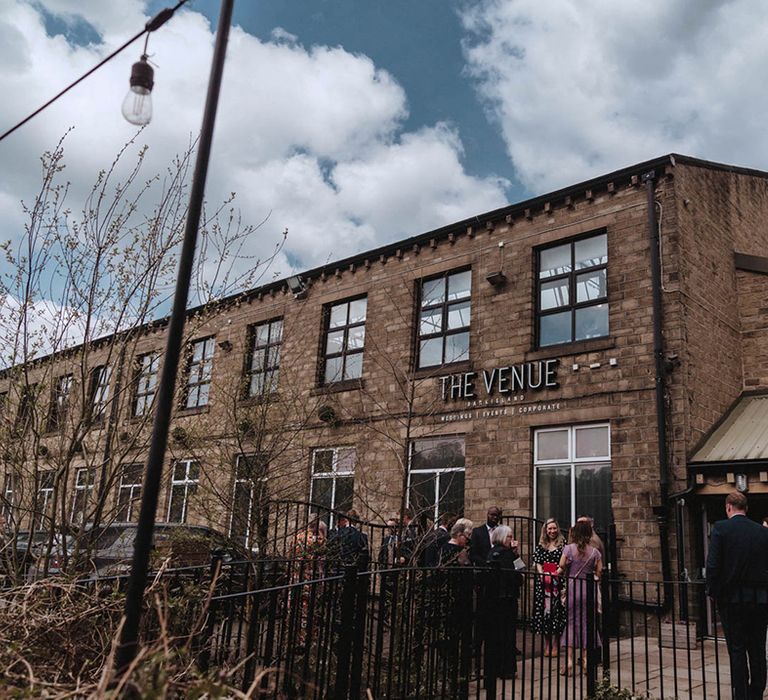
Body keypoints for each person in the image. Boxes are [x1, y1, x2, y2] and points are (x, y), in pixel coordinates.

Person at [706, 491, 768, 700]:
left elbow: (713, 565)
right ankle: (756, 693)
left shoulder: (721, 529)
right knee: (758, 649)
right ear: (746, 508)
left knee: (737, 649)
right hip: (760, 599)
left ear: (728, 507)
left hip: (732, 600)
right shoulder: (762, 532)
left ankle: (740, 695)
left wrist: (713, 592)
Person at [558, 519, 602, 676]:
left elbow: (561, 567)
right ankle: (585, 660)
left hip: (573, 591)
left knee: (571, 624)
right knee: (587, 625)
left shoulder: (568, 549)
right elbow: (598, 573)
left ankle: (569, 661)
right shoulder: (595, 553)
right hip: (588, 592)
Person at [485, 524, 522, 681]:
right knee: (507, 634)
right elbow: (519, 573)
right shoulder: (506, 554)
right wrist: (515, 555)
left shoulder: (492, 552)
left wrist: (515, 553)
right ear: (501, 537)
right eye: (509, 536)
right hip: (506, 599)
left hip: (493, 600)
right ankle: (507, 669)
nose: (512, 539)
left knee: (495, 635)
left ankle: (492, 668)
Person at [532, 518, 567, 657]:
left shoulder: (563, 544)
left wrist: (555, 573)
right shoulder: (541, 545)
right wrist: (542, 574)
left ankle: (555, 645)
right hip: (544, 584)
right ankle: (547, 644)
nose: (552, 531)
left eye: (554, 528)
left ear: (557, 529)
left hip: (558, 582)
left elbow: (565, 562)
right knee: (545, 613)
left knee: (557, 612)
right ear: (545, 530)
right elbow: (538, 562)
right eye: (549, 529)